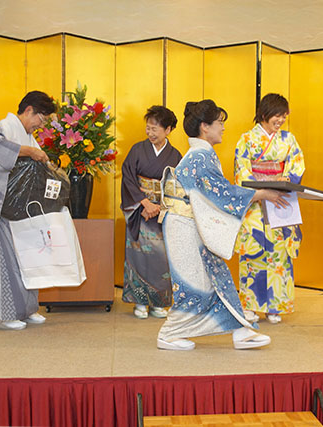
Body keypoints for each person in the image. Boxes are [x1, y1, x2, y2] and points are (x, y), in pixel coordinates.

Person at [156, 99, 289, 351]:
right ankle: (170, 333)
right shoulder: (199, 157)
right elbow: (221, 192)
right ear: (205, 127)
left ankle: (241, 332)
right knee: (193, 282)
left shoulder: (203, 154)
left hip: (192, 222)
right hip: (183, 225)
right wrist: (261, 193)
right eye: (219, 123)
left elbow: (217, 192)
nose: (223, 128)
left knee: (217, 276)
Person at [0, 91, 55, 330]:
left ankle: (26, 309)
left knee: (25, 257)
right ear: (29, 110)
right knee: (2, 260)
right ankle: (3, 315)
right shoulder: (4, 127)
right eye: (42, 118)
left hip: (16, 207)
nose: (42, 124)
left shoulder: (28, 135)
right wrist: (30, 152)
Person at [233, 93, 305, 324]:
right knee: (254, 250)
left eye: (284, 115)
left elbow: (296, 163)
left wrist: (283, 185)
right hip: (256, 202)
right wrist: (262, 191)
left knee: (279, 254)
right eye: (277, 115)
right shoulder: (246, 139)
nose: (281, 120)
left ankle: (275, 306)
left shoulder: (289, 139)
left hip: (281, 200)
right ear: (264, 114)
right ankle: (250, 304)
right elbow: (241, 171)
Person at [120, 106, 182, 319]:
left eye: (155, 129)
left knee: (161, 258)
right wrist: (144, 203)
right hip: (140, 210)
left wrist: (161, 207)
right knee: (138, 255)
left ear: (168, 129)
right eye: (148, 128)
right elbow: (128, 178)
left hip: (162, 213)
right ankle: (139, 302)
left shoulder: (175, 155)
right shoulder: (137, 150)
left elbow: (177, 186)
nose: (150, 133)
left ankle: (157, 303)